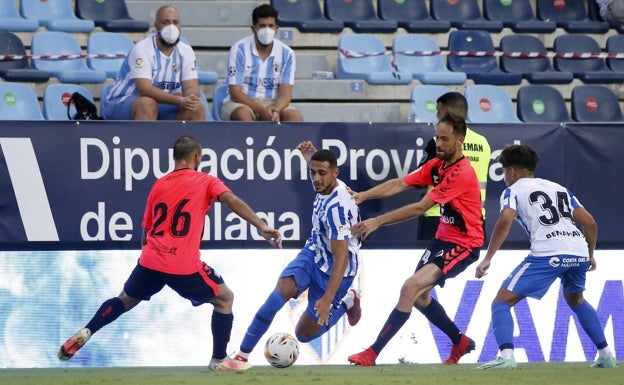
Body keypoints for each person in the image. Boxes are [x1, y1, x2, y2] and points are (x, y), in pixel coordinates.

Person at [58, 135, 282, 369]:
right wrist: (261, 225)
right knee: (225, 299)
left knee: (125, 299)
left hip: (151, 259)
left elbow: (146, 231)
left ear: (174, 158)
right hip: (183, 264)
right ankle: (219, 359)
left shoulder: (159, 184)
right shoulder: (206, 181)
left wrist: (151, 258)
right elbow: (230, 200)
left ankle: (88, 329)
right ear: (197, 157)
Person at [347, 114, 484, 366]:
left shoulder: (461, 173)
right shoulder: (436, 166)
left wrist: (376, 221)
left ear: (460, 141)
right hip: (442, 239)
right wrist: (363, 196)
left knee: (410, 288)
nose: (439, 144)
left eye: (445, 139)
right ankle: (460, 341)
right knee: (419, 297)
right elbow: (401, 183)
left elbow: (420, 208)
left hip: (464, 244)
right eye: (437, 138)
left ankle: (372, 353)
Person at [216, 140, 361, 371]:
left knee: (303, 334)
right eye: (312, 172)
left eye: (322, 173)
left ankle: (347, 301)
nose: (316, 178)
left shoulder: (338, 209)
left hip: (336, 269)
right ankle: (241, 356)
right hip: (313, 253)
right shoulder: (326, 182)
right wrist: (310, 157)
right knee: (279, 292)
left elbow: (341, 258)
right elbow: (319, 170)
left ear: (336, 173)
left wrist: (328, 299)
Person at [475, 144, 617, 370]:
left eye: (503, 171)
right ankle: (606, 355)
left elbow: (505, 220)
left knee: (501, 302)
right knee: (576, 299)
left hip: (549, 253)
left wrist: (487, 258)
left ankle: (507, 357)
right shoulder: (559, 189)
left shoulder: (513, 191)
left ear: (511, 171)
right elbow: (589, 222)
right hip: (578, 251)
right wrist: (589, 255)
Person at [101, 5, 206, 121]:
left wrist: (191, 97)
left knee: (197, 108)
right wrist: (179, 100)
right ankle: (141, 139)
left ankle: (184, 139)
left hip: (162, 103)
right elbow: (145, 89)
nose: (171, 27)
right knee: (147, 104)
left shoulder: (186, 51)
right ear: (156, 25)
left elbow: (191, 86)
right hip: (122, 101)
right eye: (165, 23)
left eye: (175, 22)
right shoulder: (142, 49)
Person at [416, 92, 491, 241]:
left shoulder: (437, 143)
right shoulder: (483, 142)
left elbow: (420, 181)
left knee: (431, 264)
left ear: (447, 113)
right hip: (474, 219)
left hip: (438, 217)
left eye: (438, 111)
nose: (437, 116)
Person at [220, 4, 303, 122]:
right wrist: (261, 110)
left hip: (273, 103)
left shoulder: (287, 53)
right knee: (242, 115)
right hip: (242, 102)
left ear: (276, 29)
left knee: (294, 118)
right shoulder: (239, 49)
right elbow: (235, 92)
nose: (267, 30)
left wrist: (276, 110)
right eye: (262, 26)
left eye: (270, 26)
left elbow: (286, 94)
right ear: (254, 28)